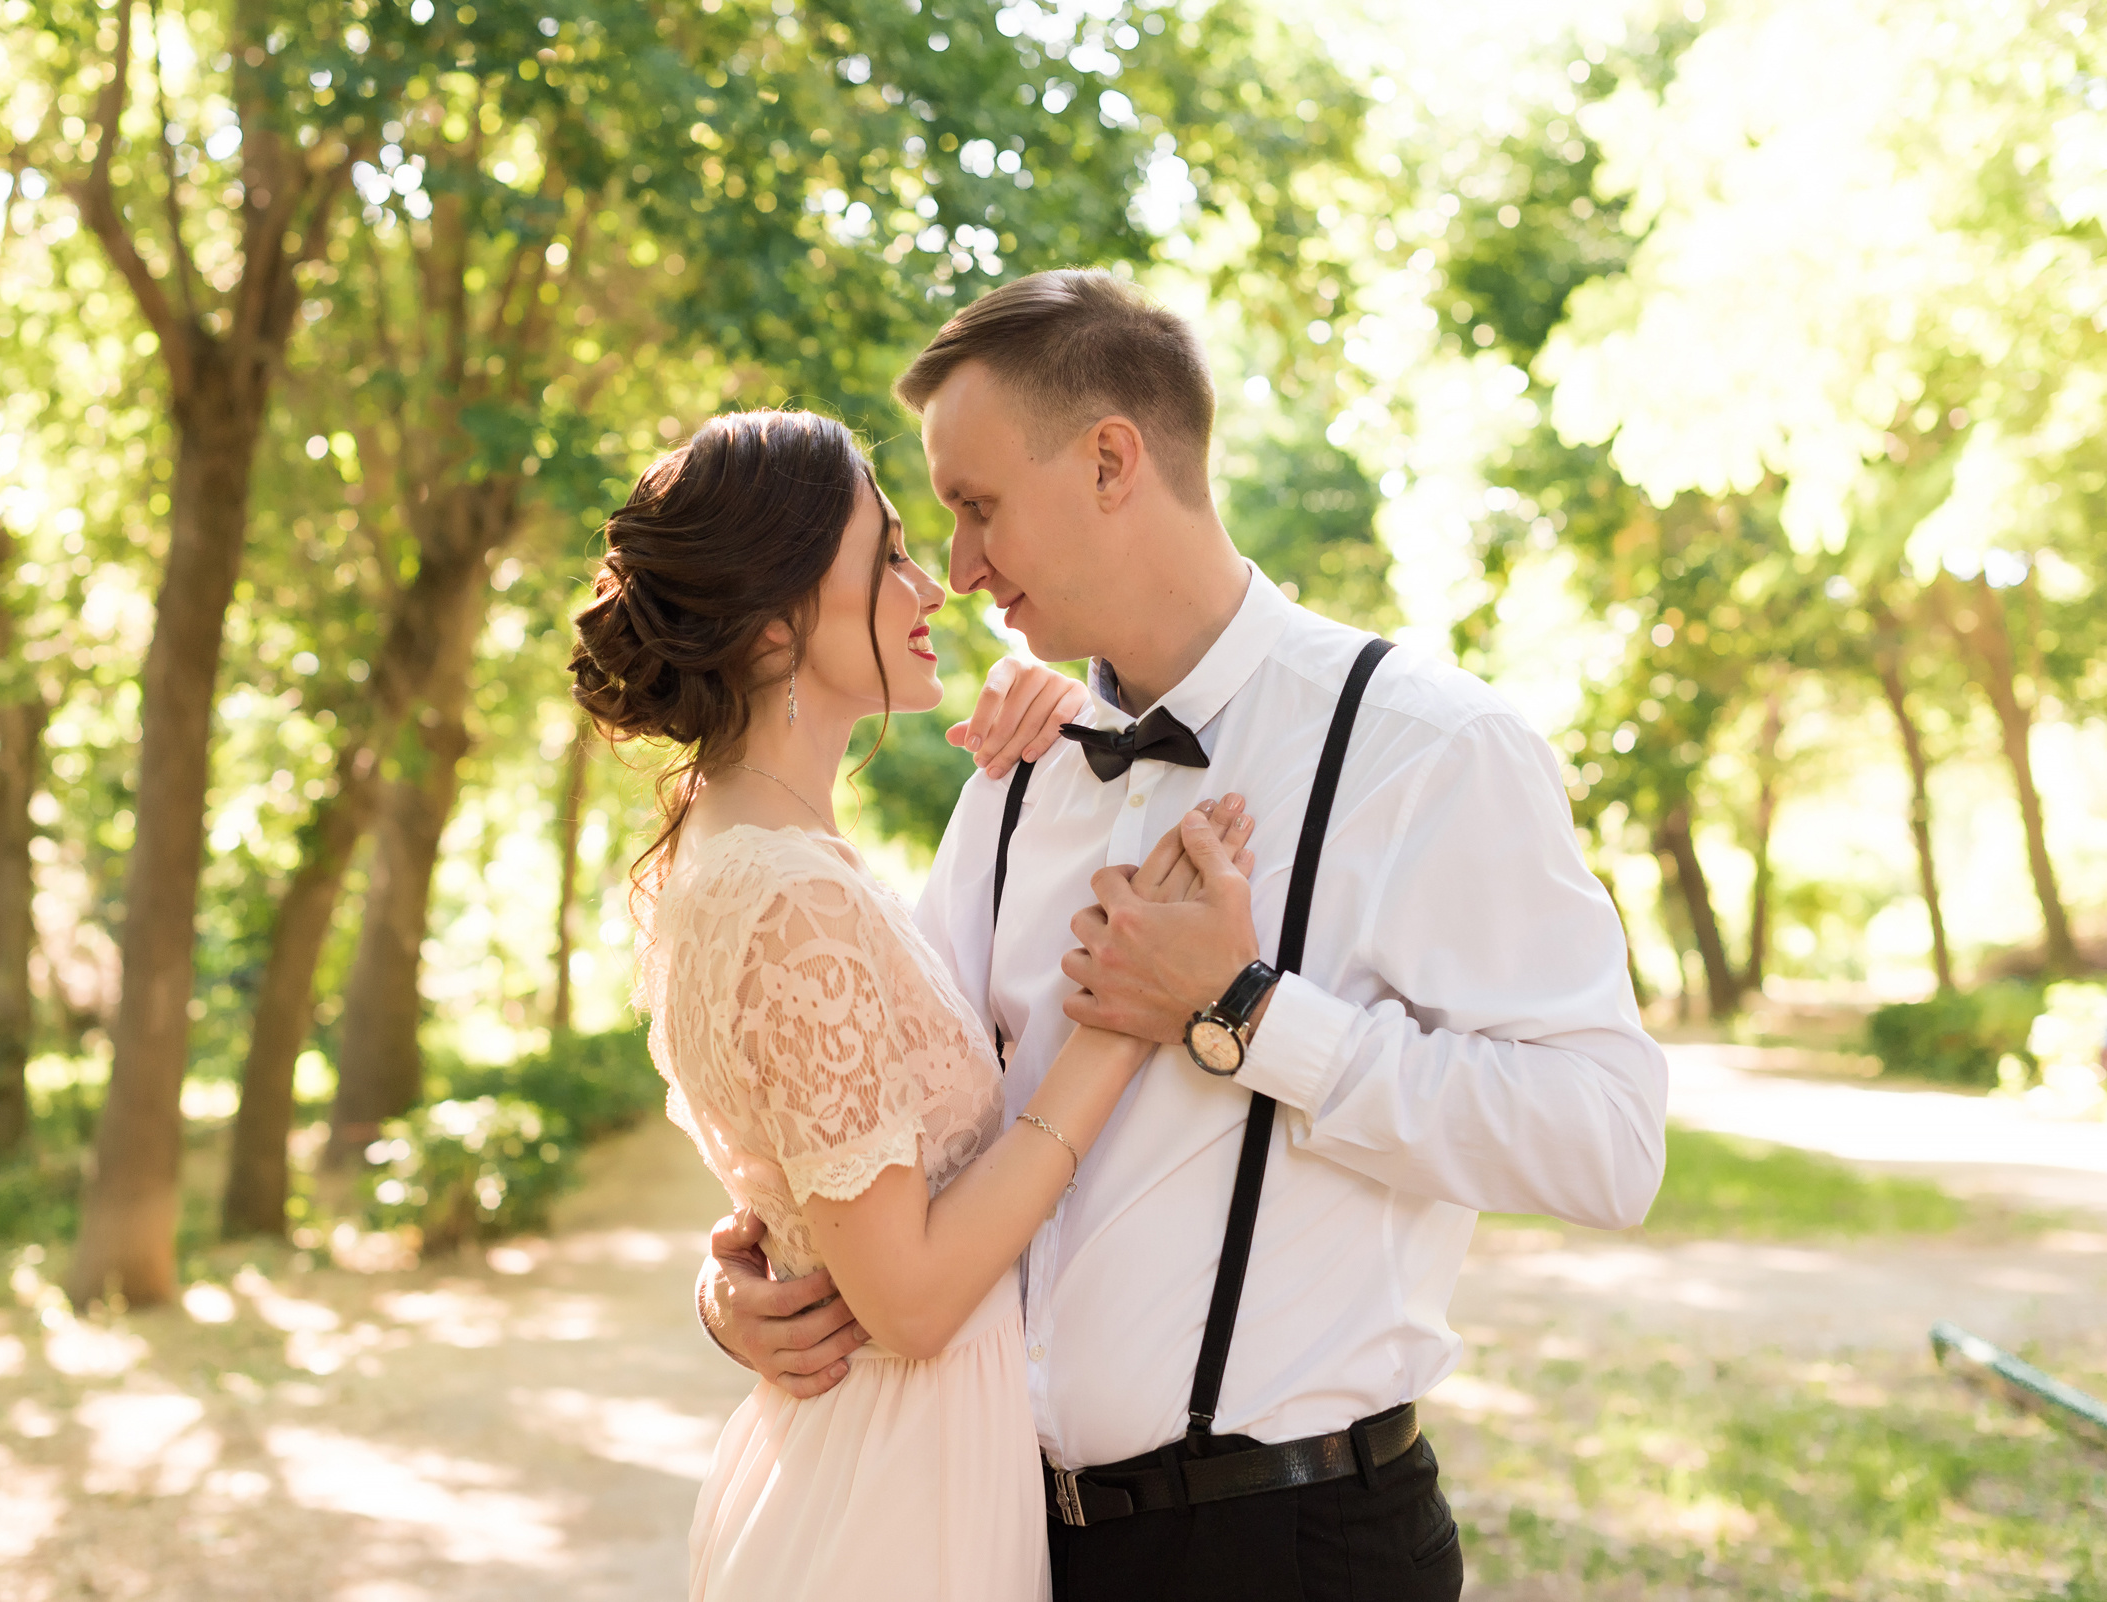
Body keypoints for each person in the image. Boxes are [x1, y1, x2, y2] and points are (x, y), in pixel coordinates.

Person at [702, 270, 1671, 1600]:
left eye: (977, 507)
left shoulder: (1433, 751)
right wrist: (745, 1296)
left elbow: (1608, 1142)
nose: (960, 567)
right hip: (1001, 1537)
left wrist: (1251, 1013)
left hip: (1297, 1545)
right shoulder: (1016, 772)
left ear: (1112, 460)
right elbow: (893, 1135)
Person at [568, 407, 1262, 1600]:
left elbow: (828, 1185)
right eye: (886, 555)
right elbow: (914, 1298)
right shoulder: (788, 898)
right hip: (891, 1506)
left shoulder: (761, 860)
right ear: (780, 620)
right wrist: (1126, 1014)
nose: (930, 582)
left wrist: (1040, 754)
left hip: (892, 1469)